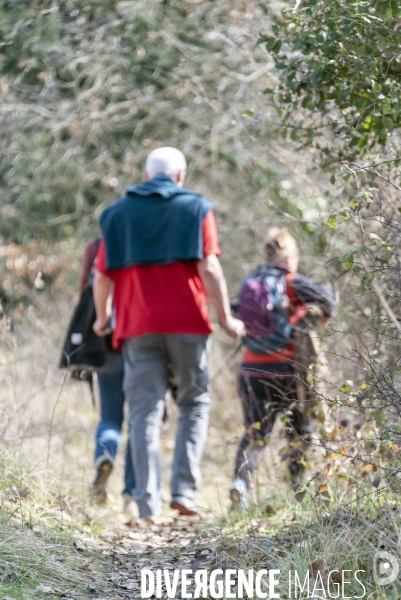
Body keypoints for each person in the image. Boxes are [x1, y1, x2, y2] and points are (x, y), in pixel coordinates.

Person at [93, 147, 245, 521]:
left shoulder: (115, 215)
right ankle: (185, 493)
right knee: (194, 403)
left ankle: (146, 503)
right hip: (188, 324)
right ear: (181, 176)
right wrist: (225, 316)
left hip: (135, 325)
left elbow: (101, 275)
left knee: (144, 412)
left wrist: (102, 318)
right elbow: (209, 267)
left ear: (146, 175)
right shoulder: (197, 209)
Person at [230, 227, 334, 508]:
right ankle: (296, 492)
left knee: (254, 434)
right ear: (289, 258)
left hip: (251, 371)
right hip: (287, 373)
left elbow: (233, 311)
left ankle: (240, 486)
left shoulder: (249, 283)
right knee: (298, 432)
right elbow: (329, 300)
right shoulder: (294, 282)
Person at [79, 238, 136, 508]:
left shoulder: (97, 245)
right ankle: (131, 493)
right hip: (140, 346)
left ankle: (104, 455)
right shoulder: (145, 241)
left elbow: (84, 294)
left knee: (110, 417)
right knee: (140, 419)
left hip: (106, 345)